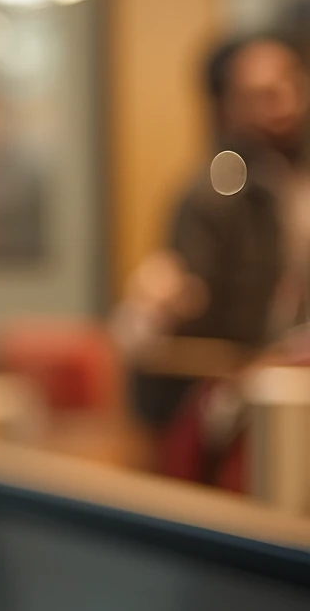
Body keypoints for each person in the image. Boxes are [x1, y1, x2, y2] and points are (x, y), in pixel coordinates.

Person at [124, 35, 310, 451]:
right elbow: (179, 302)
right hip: (242, 397)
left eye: (288, 85)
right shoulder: (211, 194)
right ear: (228, 106)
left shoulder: (295, 182)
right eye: (262, 95)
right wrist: (162, 306)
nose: (283, 103)